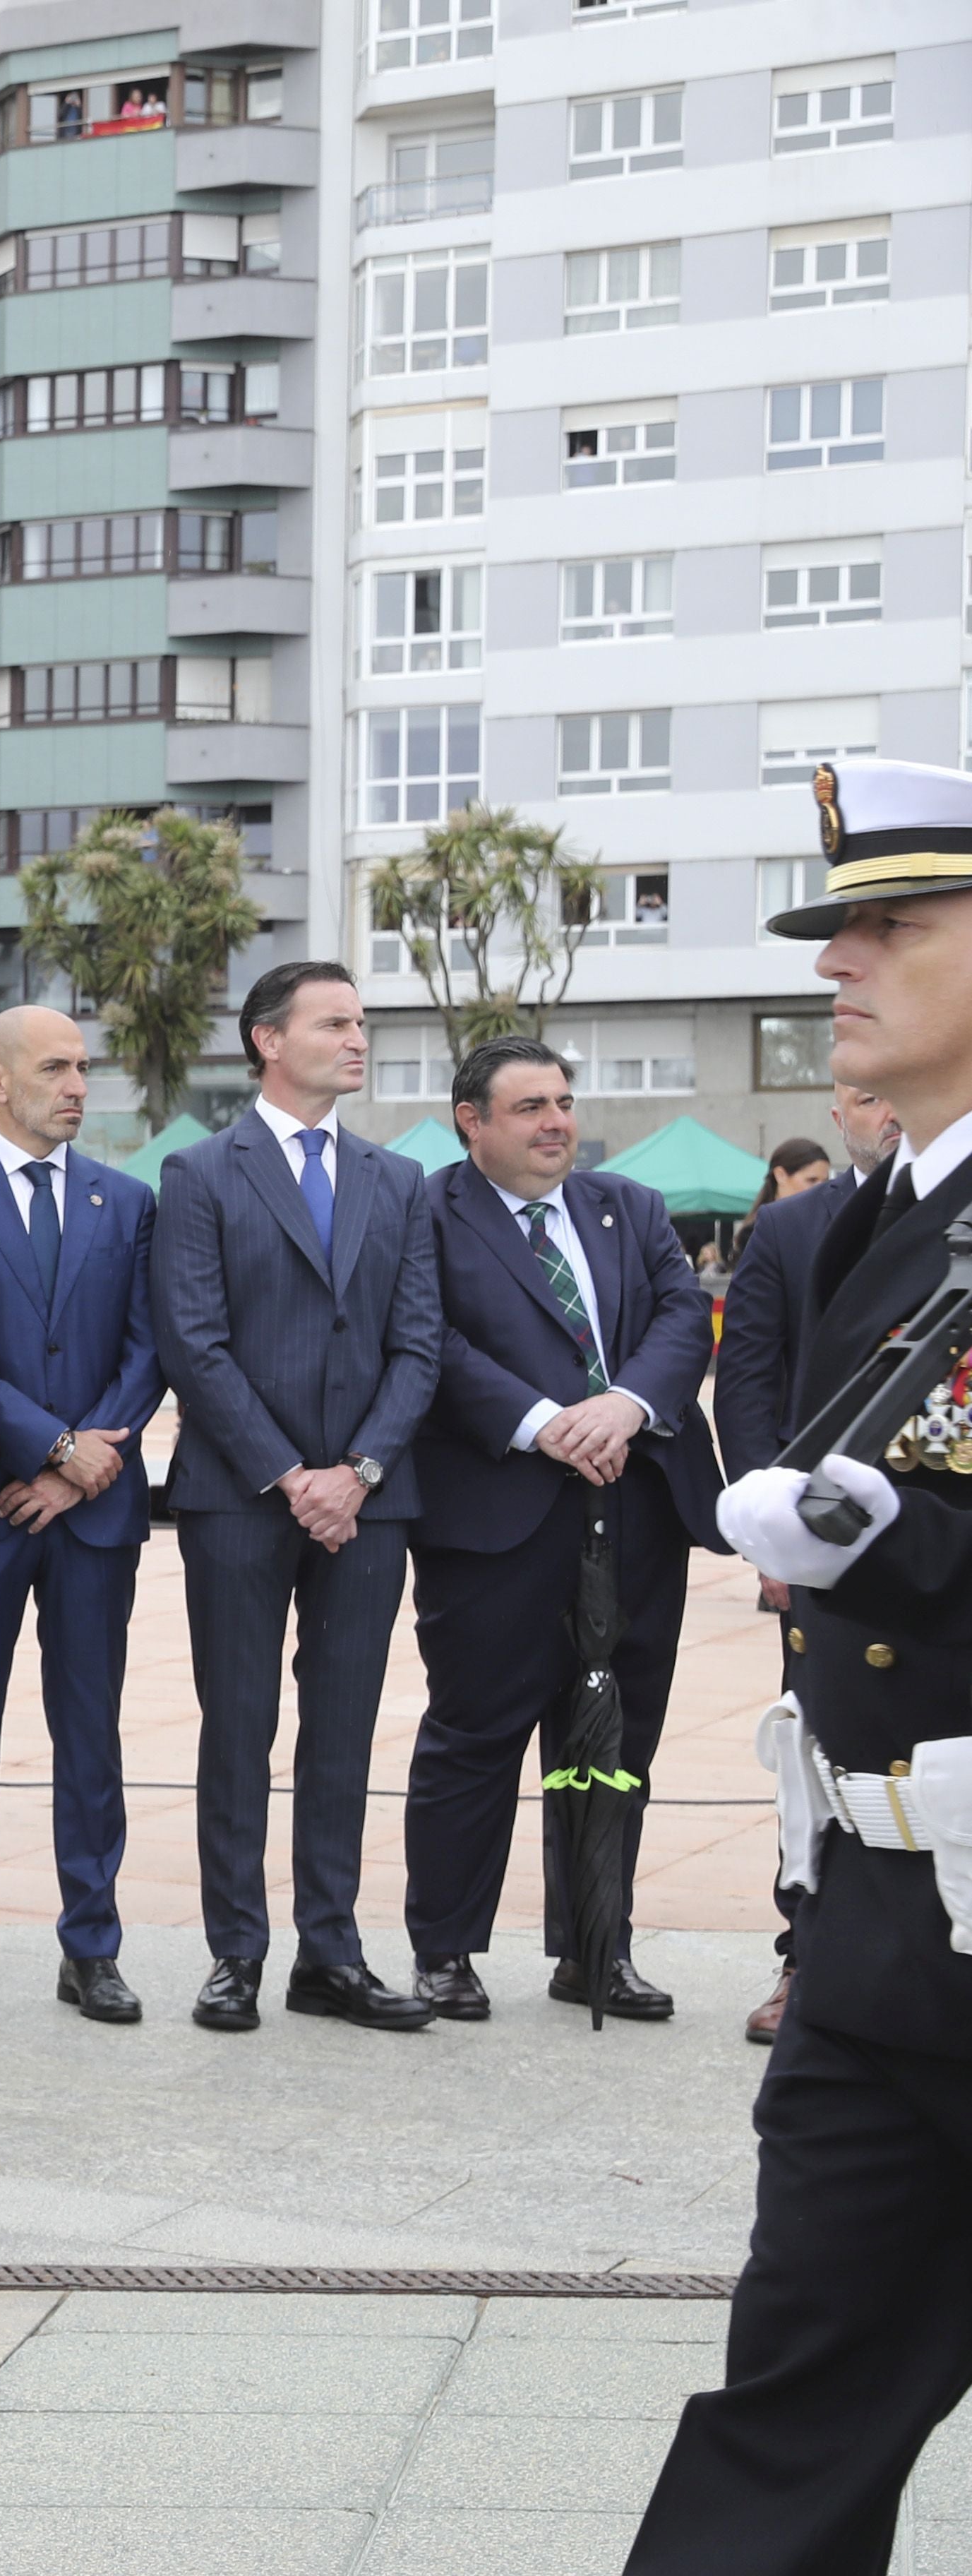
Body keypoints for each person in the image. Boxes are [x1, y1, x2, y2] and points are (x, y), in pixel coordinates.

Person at [632, 758, 972, 2572]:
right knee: (789, 2418)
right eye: (833, 930)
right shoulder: (852, 1220)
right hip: (873, 1923)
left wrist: (894, 1534)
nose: (839, 962)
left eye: (890, 928)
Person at [403, 1037, 724, 2023]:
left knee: (612, 1743)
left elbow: (681, 1314)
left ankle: (596, 1950)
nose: (558, 1124)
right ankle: (446, 1952)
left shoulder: (626, 1208)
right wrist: (546, 1424)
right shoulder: (429, 1213)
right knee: (476, 1738)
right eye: (531, 1107)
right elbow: (431, 1341)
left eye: (565, 1102)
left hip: (635, 1511)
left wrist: (624, 1405)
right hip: (499, 1519)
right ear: (473, 1121)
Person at [153, 963, 444, 2035]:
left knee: (344, 1729)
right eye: (337, 1023)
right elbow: (194, 1340)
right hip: (240, 1495)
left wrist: (356, 1472)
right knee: (238, 1727)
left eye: (362, 1023)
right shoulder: (199, 1173)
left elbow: (419, 1344)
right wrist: (288, 1474)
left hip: (370, 1501)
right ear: (269, 1041)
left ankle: (333, 1952)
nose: (358, 1039)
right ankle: (237, 1952)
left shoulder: (396, 1180)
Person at [0, 1005, 160, 2025]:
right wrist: (51, 1449)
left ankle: (91, 1945)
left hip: (92, 1514)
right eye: (55, 1068)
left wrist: (81, 1464)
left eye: (84, 1068)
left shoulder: (127, 1202)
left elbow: (151, 1348)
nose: (77, 1087)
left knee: (90, 1732)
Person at [715, 1081, 897, 2046]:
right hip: (820, 1558)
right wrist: (767, 1536)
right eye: (867, 1096)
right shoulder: (789, 1234)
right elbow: (745, 1386)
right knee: (816, 1752)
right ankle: (805, 1960)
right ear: (839, 1117)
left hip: (942, 1545)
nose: (889, 1110)